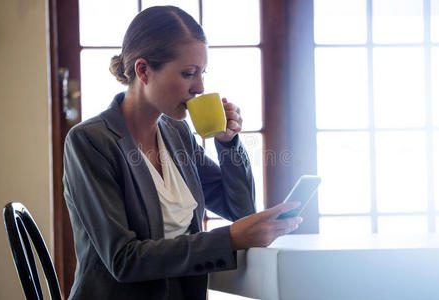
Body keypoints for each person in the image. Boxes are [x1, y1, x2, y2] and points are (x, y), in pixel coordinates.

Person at [63, 5, 302, 300]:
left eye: (202, 73)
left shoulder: (177, 135)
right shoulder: (90, 142)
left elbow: (239, 209)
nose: (200, 87)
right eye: (189, 73)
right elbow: (123, 260)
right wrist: (228, 239)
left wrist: (228, 143)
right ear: (143, 70)